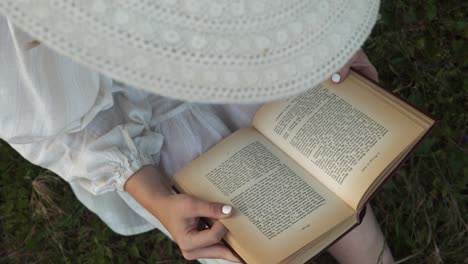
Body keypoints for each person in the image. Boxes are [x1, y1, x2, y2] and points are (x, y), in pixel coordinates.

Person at [0, 1, 394, 263]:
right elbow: (54, 112)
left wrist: (325, 44)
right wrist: (152, 194)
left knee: (332, 188)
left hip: (256, 57)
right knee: (239, 244)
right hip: (162, 130)